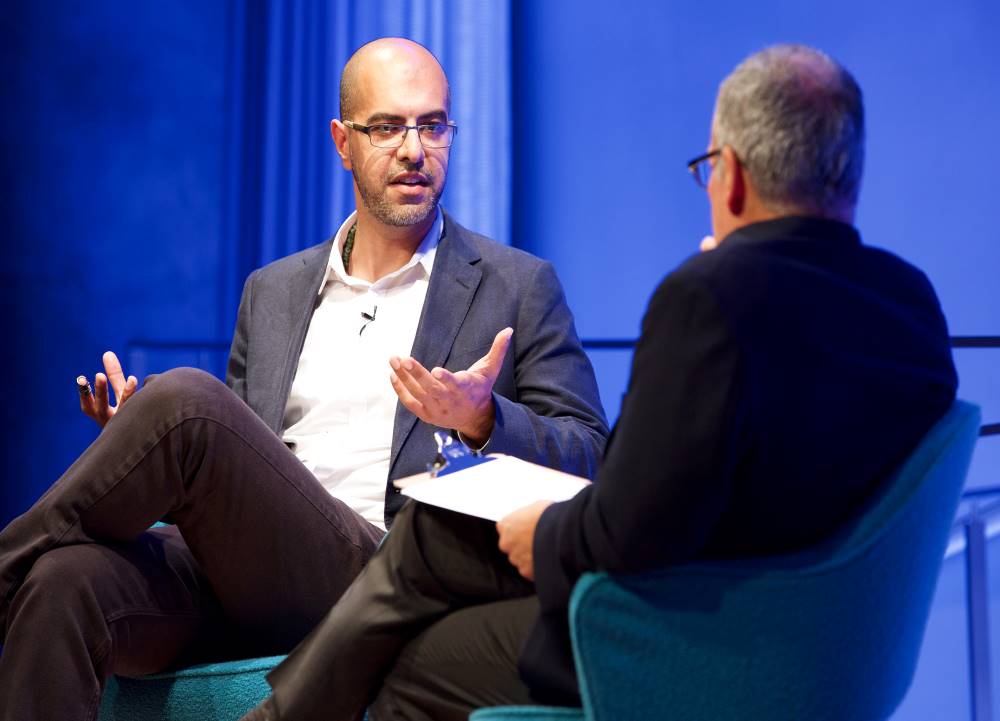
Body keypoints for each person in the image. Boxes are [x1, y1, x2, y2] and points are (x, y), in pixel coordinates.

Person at [237, 43, 959, 721]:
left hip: (687, 636)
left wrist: (542, 531)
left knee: (415, 654)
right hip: (833, 651)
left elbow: (631, 521)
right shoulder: (915, 304)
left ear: (731, 174)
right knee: (433, 536)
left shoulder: (710, 298)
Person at [0, 38, 608, 720]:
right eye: (387, 127)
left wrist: (483, 416)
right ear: (342, 142)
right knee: (61, 582)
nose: (415, 150)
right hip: (239, 574)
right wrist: (139, 446)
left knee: (189, 406)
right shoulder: (275, 290)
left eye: (433, 125)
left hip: (378, 573)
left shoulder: (517, 286)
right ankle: (29, 563)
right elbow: (242, 468)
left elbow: (590, 452)